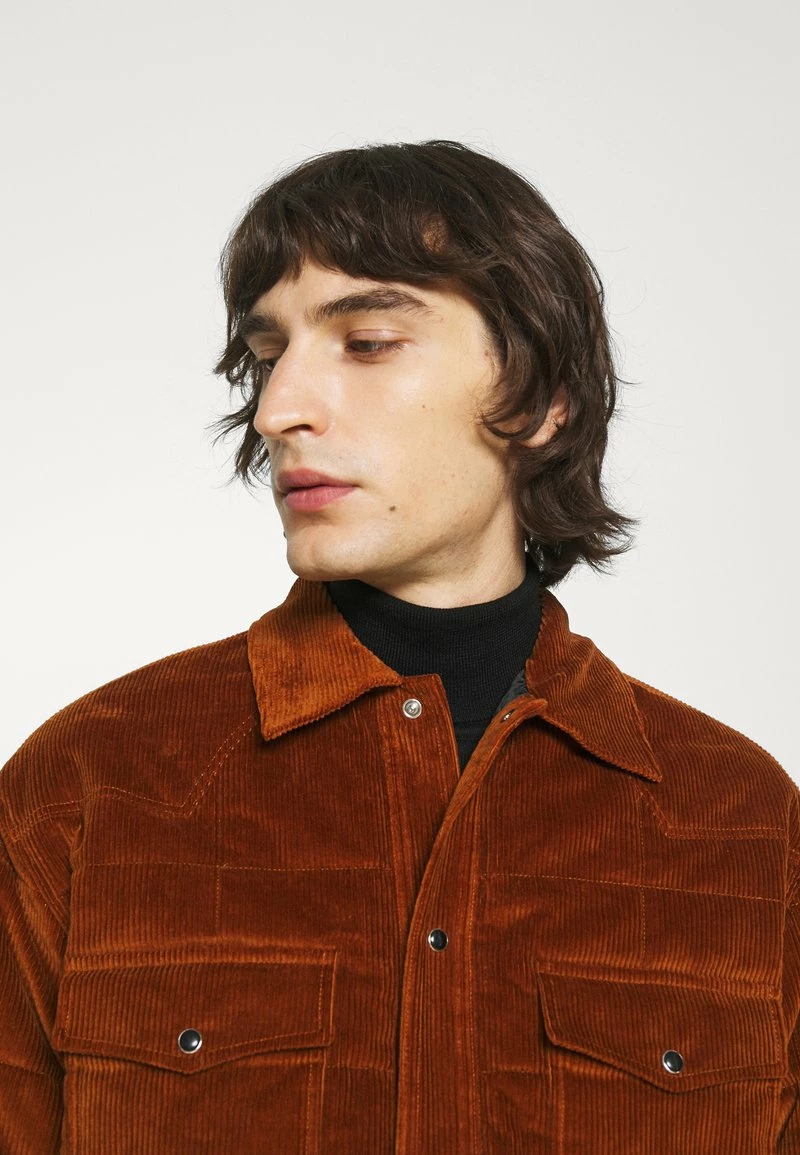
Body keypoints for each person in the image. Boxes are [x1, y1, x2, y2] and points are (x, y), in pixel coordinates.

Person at [0, 139, 796, 1154]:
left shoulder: (742, 825)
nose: (281, 409)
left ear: (541, 399)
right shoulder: (89, 785)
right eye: (267, 356)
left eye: (367, 342)